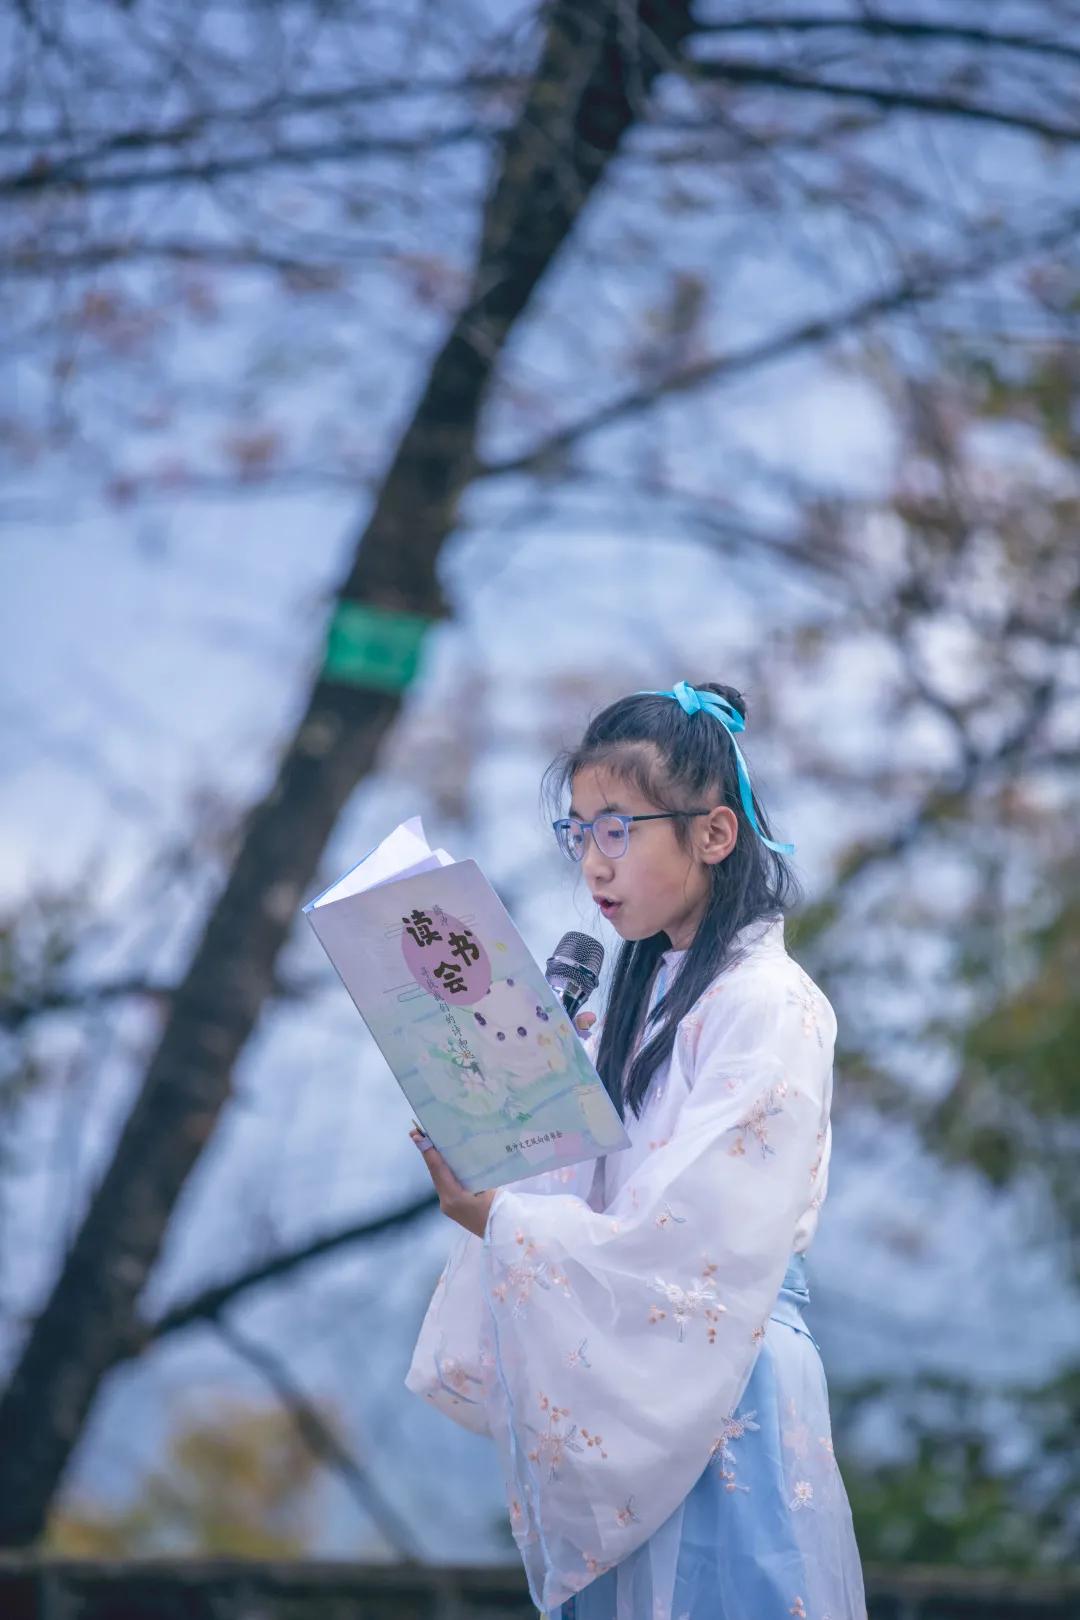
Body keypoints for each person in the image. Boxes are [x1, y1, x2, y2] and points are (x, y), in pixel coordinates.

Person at [405, 680, 868, 1620]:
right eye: (577, 832)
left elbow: (695, 1226)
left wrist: (504, 1218)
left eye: (617, 829)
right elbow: (606, 1194)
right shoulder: (637, 999)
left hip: (720, 1371)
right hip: (642, 1368)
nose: (592, 862)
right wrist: (513, 1118)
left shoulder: (768, 1003)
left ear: (714, 835)